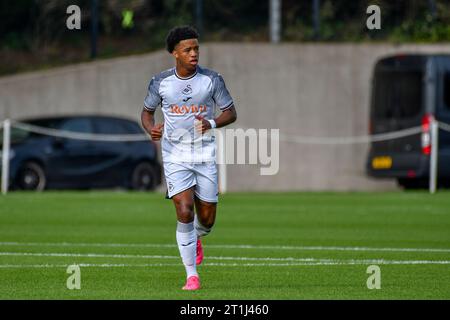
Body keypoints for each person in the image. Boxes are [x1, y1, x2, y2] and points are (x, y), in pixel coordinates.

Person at [141, 26, 237, 291]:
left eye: (196, 48)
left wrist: (211, 123)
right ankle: (191, 276)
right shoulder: (160, 82)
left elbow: (231, 112)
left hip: (205, 155)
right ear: (175, 53)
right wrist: (152, 129)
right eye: (188, 49)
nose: (194, 53)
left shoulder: (212, 80)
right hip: (175, 156)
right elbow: (147, 113)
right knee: (184, 210)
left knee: (207, 219)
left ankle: (197, 236)